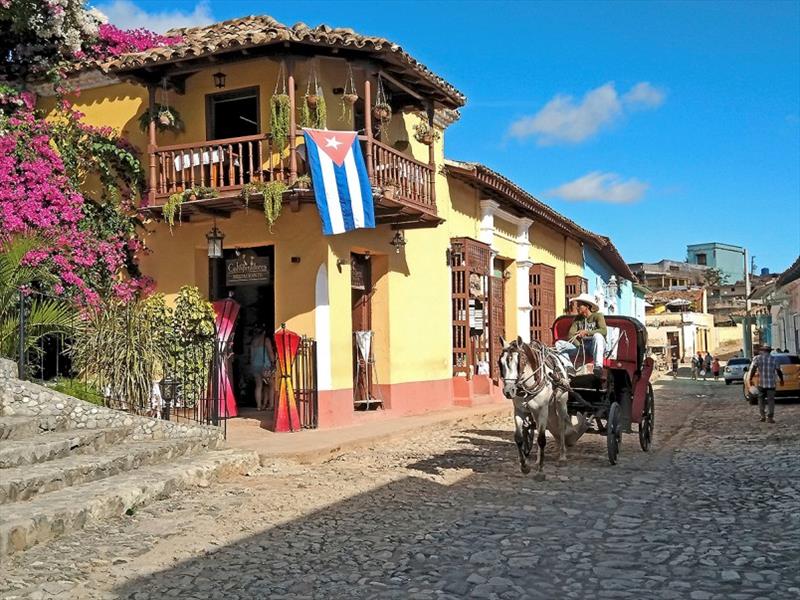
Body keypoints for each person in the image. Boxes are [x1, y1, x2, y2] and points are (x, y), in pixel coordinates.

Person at [555, 293, 607, 377]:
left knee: (598, 336)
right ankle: (569, 367)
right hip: (581, 347)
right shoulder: (577, 319)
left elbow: (604, 331)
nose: (577, 307)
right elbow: (571, 335)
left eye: (579, 305)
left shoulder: (598, 316)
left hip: (594, 347)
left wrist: (586, 332)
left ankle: (598, 366)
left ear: (587, 306)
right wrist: (579, 345)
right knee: (559, 344)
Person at [749, 345, 784, 424]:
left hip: (761, 383)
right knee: (771, 401)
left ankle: (762, 416)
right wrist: (781, 379)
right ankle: (770, 417)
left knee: (761, 400)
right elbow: (778, 371)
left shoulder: (757, 358)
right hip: (771, 384)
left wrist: (750, 378)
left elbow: (754, 369)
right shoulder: (774, 359)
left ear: (763, 351)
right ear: (770, 351)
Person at [250, 326, 276, 411]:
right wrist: (273, 363)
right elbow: (271, 354)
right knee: (272, 385)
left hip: (255, 366)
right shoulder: (266, 340)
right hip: (265, 366)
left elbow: (251, 356)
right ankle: (271, 405)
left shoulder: (253, 341)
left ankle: (259, 406)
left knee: (259, 386)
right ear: (264, 332)